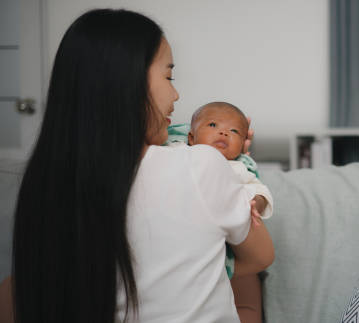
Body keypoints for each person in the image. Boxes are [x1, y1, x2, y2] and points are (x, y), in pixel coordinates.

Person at [5, 8, 274, 323]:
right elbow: (261, 256)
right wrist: (237, 167)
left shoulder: (45, 181)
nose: (176, 93)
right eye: (168, 76)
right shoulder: (201, 164)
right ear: (127, 82)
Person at [188, 102, 273, 323]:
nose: (224, 132)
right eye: (213, 124)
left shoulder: (239, 168)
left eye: (234, 131)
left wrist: (257, 203)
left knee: (239, 302)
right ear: (191, 138)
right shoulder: (182, 155)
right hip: (195, 242)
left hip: (231, 247)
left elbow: (259, 189)